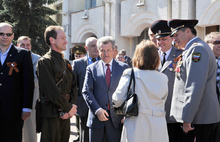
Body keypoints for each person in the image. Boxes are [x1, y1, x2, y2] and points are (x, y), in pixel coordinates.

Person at [168, 19, 220, 142]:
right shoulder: (192, 49)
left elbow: (194, 87)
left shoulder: (197, 50)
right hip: (198, 119)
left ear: (187, 31)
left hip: (199, 119)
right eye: (173, 36)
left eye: (176, 35)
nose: (174, 39)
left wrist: (187, 118)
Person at [112, 39, 169, 142]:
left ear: (137, 56)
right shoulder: (163, 77)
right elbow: (163, 99)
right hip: (158, 125)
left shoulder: (130, 73)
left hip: (136, 124)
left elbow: (117, 100)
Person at [151, 20, 194, 142]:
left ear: (171, 38)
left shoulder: (182, 55)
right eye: (158, 39)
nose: (160, 42)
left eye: (164, 38)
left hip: (175, 114)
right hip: (157, 112)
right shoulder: (152, 57)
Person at [82, 36, 129, 142]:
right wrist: (97, 110)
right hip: (96, 119)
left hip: (116, 119)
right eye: (102, 50)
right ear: (99, 51)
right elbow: (86, 91)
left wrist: (125, 114)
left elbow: (129, 92)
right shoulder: (91, 68)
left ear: (114, 51)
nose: (105, 53)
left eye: (108, 50)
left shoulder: (124, 68)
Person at [36, 25, 77, 142]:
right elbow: (50, 90)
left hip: (66, 113)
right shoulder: (44, 62)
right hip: (51, 113)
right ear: (52, 40)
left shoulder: (66, 62)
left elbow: (73, 86)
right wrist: (68, 108)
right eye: (63, 38)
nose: (66, 41)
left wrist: (71, 107)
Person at [0, 22, 34, 142]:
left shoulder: (22, 54)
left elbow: (28, 82)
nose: (5, 37)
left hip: (13, 109)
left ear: (13, 36)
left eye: (8, 34)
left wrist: (26, 107)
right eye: (1, 34)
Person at [72, 37, 100, 142]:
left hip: (100, 106)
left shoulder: (104, 62)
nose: (96, 48)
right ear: (86, 48)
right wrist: (73, 104)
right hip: (83, 107)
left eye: (97, 45)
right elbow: (73, 86)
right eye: (93, 46)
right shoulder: (78, 64)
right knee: (85, 136)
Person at [17, 36, 41, 142]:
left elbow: (34, 80)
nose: (26, 47)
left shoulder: (37, 59)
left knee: (29, 130)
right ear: (18, 45)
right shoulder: (14, 57)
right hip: (14, 100)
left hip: (31, 100)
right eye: (23, 45)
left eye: (28, 45)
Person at [205, 32, 220, 101]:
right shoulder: (202, 61)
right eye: (217, 42)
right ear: (207, 44)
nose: (219, 45)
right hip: (209, 102)